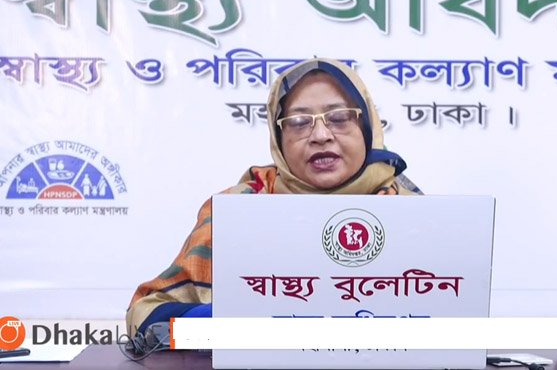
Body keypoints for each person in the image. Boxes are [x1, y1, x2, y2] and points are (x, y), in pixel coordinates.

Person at [125, 58, 422, 336]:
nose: (321, 135)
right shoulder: (237, 210)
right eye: (299, 122)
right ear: (278, 138)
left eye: (339, 117)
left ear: (367, 127)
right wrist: (224, 323)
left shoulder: (413, 212)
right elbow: (144, 317)